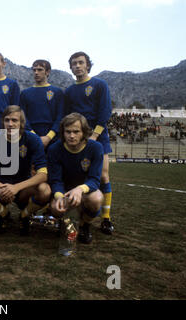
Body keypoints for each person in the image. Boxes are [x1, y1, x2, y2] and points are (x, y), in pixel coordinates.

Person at [0, 105, 51, 235]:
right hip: (2, 187)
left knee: (45, 190)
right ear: (3, 122)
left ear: (22, 123)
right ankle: (3, 213)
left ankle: (24, 215)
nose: (10, 124)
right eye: (7, 120)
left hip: (23, 188)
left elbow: (43, 174)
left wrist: (16, 187)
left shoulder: (33, 139)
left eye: (14, 120)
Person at [64, 51, 114, 235]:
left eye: (80, 62)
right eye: (74, 63)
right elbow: (67, 116)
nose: (77, 66)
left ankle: (106, 219)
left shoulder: (99, 84)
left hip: (98, 136)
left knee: (103, 176)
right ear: (70, 67)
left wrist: (94, 136)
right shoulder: (69, 91)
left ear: (87, 65)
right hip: (76, 138)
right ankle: (81, 214)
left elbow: (105, 111)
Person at [47, 113, 104, 244]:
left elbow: (95, 179)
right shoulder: (54, 149)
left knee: (96, 199)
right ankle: (66, 223)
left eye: (76, 131)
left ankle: (84, 225)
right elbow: (55, 179)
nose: (71, 136)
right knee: (56, 207)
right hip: (64, 192)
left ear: (84, 132)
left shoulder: (96, 148)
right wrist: (59, 196)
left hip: (85, 192)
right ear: (63, 132)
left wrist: (79, 189)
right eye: (68, 132)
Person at [20, 59, 64, 150]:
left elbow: (60, 116)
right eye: (34, 70)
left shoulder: (57, 92)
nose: (36, 72)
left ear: (47, 72)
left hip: (53, 138)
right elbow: (22, 117)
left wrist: (49, 136)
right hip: (30, 136)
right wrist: (34, 136)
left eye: (40, 70)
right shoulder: (25, 93)